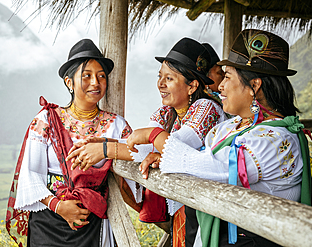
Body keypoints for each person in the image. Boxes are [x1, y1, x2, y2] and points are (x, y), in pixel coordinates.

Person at [126, 29, 312, 246]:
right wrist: (163, 155)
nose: (220, 85)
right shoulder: (229, 127)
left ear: (254, 86)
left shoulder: (277, 141)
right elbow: (200, 160)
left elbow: (210, 165)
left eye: (228, 77)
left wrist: (155, 135)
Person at [67, 37, 228, 246]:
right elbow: (141, 148)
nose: (160, 83)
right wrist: (107, 142)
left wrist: (106, 149)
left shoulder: (207, 109)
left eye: (169, 79)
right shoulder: (166, 113)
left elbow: (176, 147)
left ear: (192, 86)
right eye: (160, 76)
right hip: (186, 207)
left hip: (210, 210)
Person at [5, 39, 132, 247]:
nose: (95, 83)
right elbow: (31, 175)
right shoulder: (46, 121)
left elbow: (141, 155)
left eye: (101, 76)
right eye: (87, 76)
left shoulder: (116, 125)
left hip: (93, 224)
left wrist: (106, 149)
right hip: (48, 222)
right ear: (69, 82)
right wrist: (59, 207)